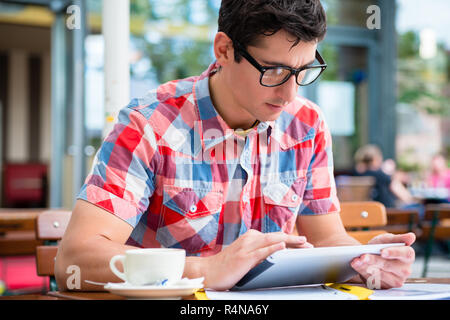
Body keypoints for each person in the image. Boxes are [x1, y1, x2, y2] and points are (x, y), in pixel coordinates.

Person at [55, 0, 415, 292]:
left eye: (303, 70)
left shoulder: (307, 125)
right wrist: (205, 270)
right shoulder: (149, 123)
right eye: (274, 71)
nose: (290, 94)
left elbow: (327, 238)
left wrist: (366, 259)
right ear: (224, 49)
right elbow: (74, 259)